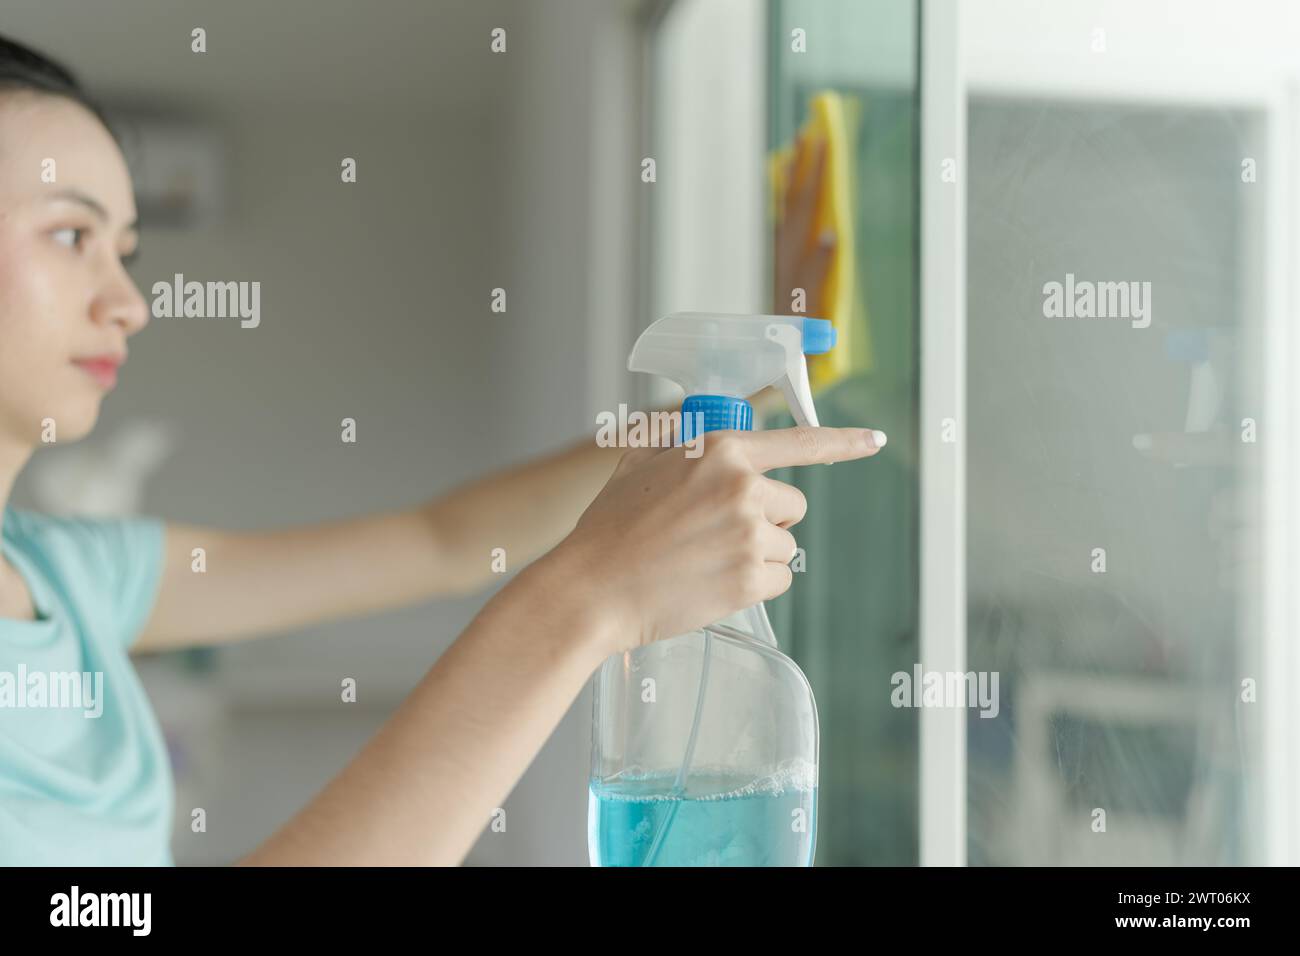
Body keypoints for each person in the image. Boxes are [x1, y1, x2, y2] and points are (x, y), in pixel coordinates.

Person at [0, 34, 886, 865]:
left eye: (126, 252)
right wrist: (589, 598)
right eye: (72, 235)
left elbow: (446, 539)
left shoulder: (69, 579)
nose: (129, 303)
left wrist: (732, 387)